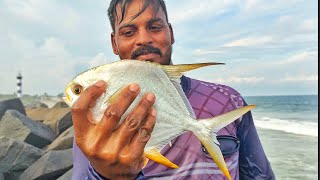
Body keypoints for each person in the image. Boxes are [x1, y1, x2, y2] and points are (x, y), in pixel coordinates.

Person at [71, 0, 275, 179]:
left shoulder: (228, 100)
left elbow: (259, 174)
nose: (143, 39)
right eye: (128, 32)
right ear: (114, 43)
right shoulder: (95, 123)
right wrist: (107, 175)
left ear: (171, 32)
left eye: (155, 27)